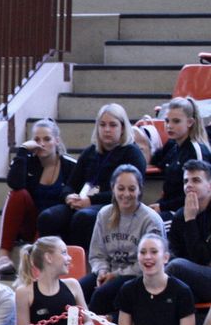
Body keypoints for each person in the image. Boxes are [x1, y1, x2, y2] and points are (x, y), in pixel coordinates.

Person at [37, 103, 146, 252]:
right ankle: (51, 260)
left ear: (122, 128)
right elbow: (70, 184)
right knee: (47, 217)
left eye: (113, 125)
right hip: (83, 202)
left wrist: (91, 201)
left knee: (83, 218)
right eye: (102, 125)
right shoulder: (90, 152)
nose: (107, 129)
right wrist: (69, 196)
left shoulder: (132, 154)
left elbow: (131, 193)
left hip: (114, 205)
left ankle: (79, 261)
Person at [0, 118, 75, 277]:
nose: (42, 144)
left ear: (57, 141)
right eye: (37, 140)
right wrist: (23, 151)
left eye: (47, 139)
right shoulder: (26, 161)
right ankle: (3, 255)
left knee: (48, 218)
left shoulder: (70, 166)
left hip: (54, 226)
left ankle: (34, 259)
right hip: (30, 223)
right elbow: (14, 184)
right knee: (18, 194)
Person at [80, 165, 164, 314]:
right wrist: (102, 271)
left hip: (139, 275)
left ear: (140, 190)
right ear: (113, 188)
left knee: (101, 295)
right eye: (121, 188)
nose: (126, 194)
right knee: (75, 291)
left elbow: (152, 261)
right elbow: (97, 254)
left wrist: (116, 275)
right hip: (108, 272)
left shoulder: (151, 220)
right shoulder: (104, 214)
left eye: (132, 189)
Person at [151, 96, 211, 214]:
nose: (169, 126)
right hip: (171, 207)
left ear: (190, 122)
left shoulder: (196, 150)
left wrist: (162, 207)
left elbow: (198, 194)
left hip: (191, 212)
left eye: (176, 121)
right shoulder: (173, 147)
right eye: (167, 121)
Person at [165, 160, 211, 302]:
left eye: (196, 180)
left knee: (176, 267)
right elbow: (173, 251)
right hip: (190, 278)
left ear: (209, 185)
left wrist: (190, 220)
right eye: (186, 181)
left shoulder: (187, 215)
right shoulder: (180, 215)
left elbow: (202, 259)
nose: (189, 185)